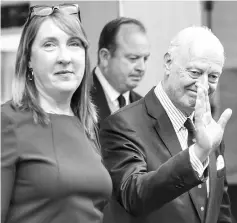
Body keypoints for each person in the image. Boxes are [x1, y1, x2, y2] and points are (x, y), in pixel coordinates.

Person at [99, 26, 233, 223]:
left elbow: (219, 209)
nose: (204, 85)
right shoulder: (123, 124)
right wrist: (197, 154)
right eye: (195, 72)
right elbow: (134, 196)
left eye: (213, 76)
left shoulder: (210, 128)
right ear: (169, 63)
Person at [1, 4, 112, 223]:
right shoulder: (8, 121)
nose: (65, 57)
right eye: (49, 45)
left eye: (74, 44)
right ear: (29, 60)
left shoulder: (85, 124)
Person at [91, 17, 150, 123]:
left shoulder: (145, 108)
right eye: (133, 58)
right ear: (105, 57)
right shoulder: (77, 100)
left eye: (145, 59)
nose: (141, 68)